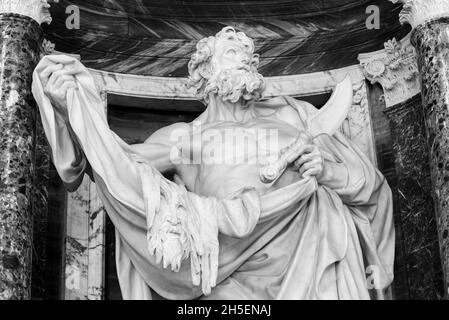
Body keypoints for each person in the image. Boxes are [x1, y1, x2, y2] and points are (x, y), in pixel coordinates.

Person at [33, 26, 394, 300]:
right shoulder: (188, 139)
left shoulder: (294, 117)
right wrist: (74, 111)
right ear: (206, 70)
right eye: (234, 51)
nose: (247, 58)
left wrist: (327, 171)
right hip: (232, 275)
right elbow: (117, 167)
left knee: (329, 209)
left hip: (315, 258)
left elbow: (371, 186)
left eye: (250, 55)